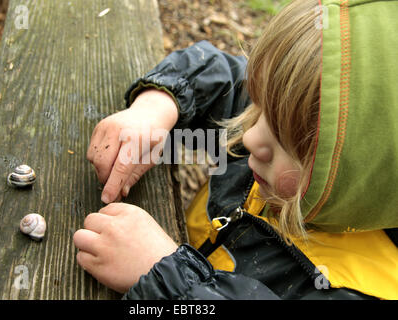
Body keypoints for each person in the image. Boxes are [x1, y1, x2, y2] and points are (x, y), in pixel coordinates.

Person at [73, 0, 398, 299]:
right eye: (259, 106)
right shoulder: (281, 127)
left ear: (360, 183)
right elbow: (220, 76)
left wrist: (169, 278)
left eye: (284, 140)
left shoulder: (354, 289)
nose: (252, 136)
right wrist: (157, 107)